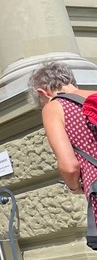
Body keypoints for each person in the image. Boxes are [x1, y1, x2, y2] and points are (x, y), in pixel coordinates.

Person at [27, 61, 97, 242]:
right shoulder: (93, 96)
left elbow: (70, 165)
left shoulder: (55, 107)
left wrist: (75, 188)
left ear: (42, 93)